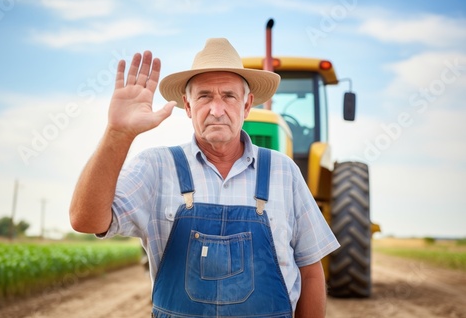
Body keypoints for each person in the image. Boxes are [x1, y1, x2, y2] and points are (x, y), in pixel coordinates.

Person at [69, 38, 340, 318]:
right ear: (187, 105)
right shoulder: (157, 167)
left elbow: (310, 273)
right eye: (205, 96)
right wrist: (117, 133)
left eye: (229, 96)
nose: (217, 110)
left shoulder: (285, 172)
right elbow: (85, 220)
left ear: (247, 105)